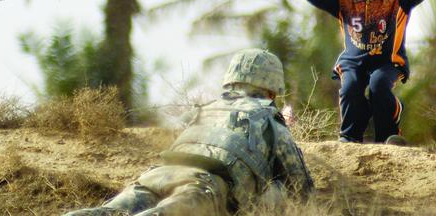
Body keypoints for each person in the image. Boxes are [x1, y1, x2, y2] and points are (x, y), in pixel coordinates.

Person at [63, 49, 313, 216]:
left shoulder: (204, 109)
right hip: (203, 188)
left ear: (231, 82)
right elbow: (300, 187)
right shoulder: (268, 117)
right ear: (272, 91)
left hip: (159, 175)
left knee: (104, 212)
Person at [294, 0, 436, 145]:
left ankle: (388, 137)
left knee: (378, 85)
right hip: (353, 63)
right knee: (350, 87)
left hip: (387, 62)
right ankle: (350, 138)